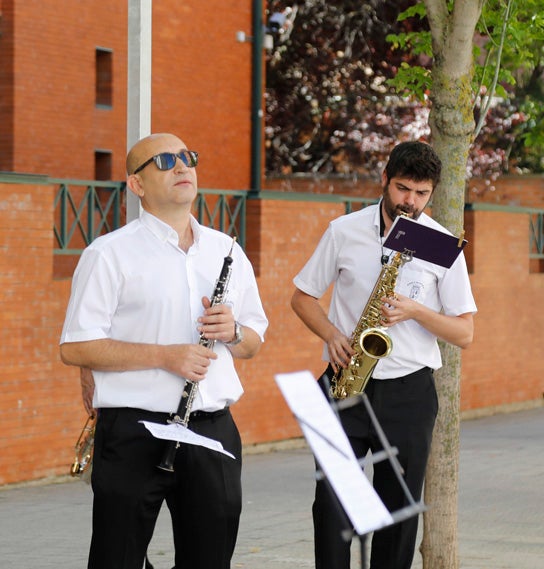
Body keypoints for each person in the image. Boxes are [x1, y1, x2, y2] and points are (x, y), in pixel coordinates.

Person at [59, 133, 269, 569]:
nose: (182, 166)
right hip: (134, 430)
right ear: (136, 185)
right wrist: (165, 356)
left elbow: (253, 342)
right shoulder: (108, 254)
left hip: (211, 430)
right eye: (165, 160)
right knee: (118, 558)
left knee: (210, 560)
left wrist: (232, 332)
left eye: (188, 157)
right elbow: (76, 346)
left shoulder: (227, 250)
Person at [291, 141, 477, 569]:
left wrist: (415, 310)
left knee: (399, 510)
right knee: (332, 505)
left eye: (420, 193)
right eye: (402, 188)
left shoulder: (440, 244)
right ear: (384, 180)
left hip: (409, 393)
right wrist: (331, 334)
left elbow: (464, 332)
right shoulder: (345, 231)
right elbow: (302, 298)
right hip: (344, 381)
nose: (409, 201)